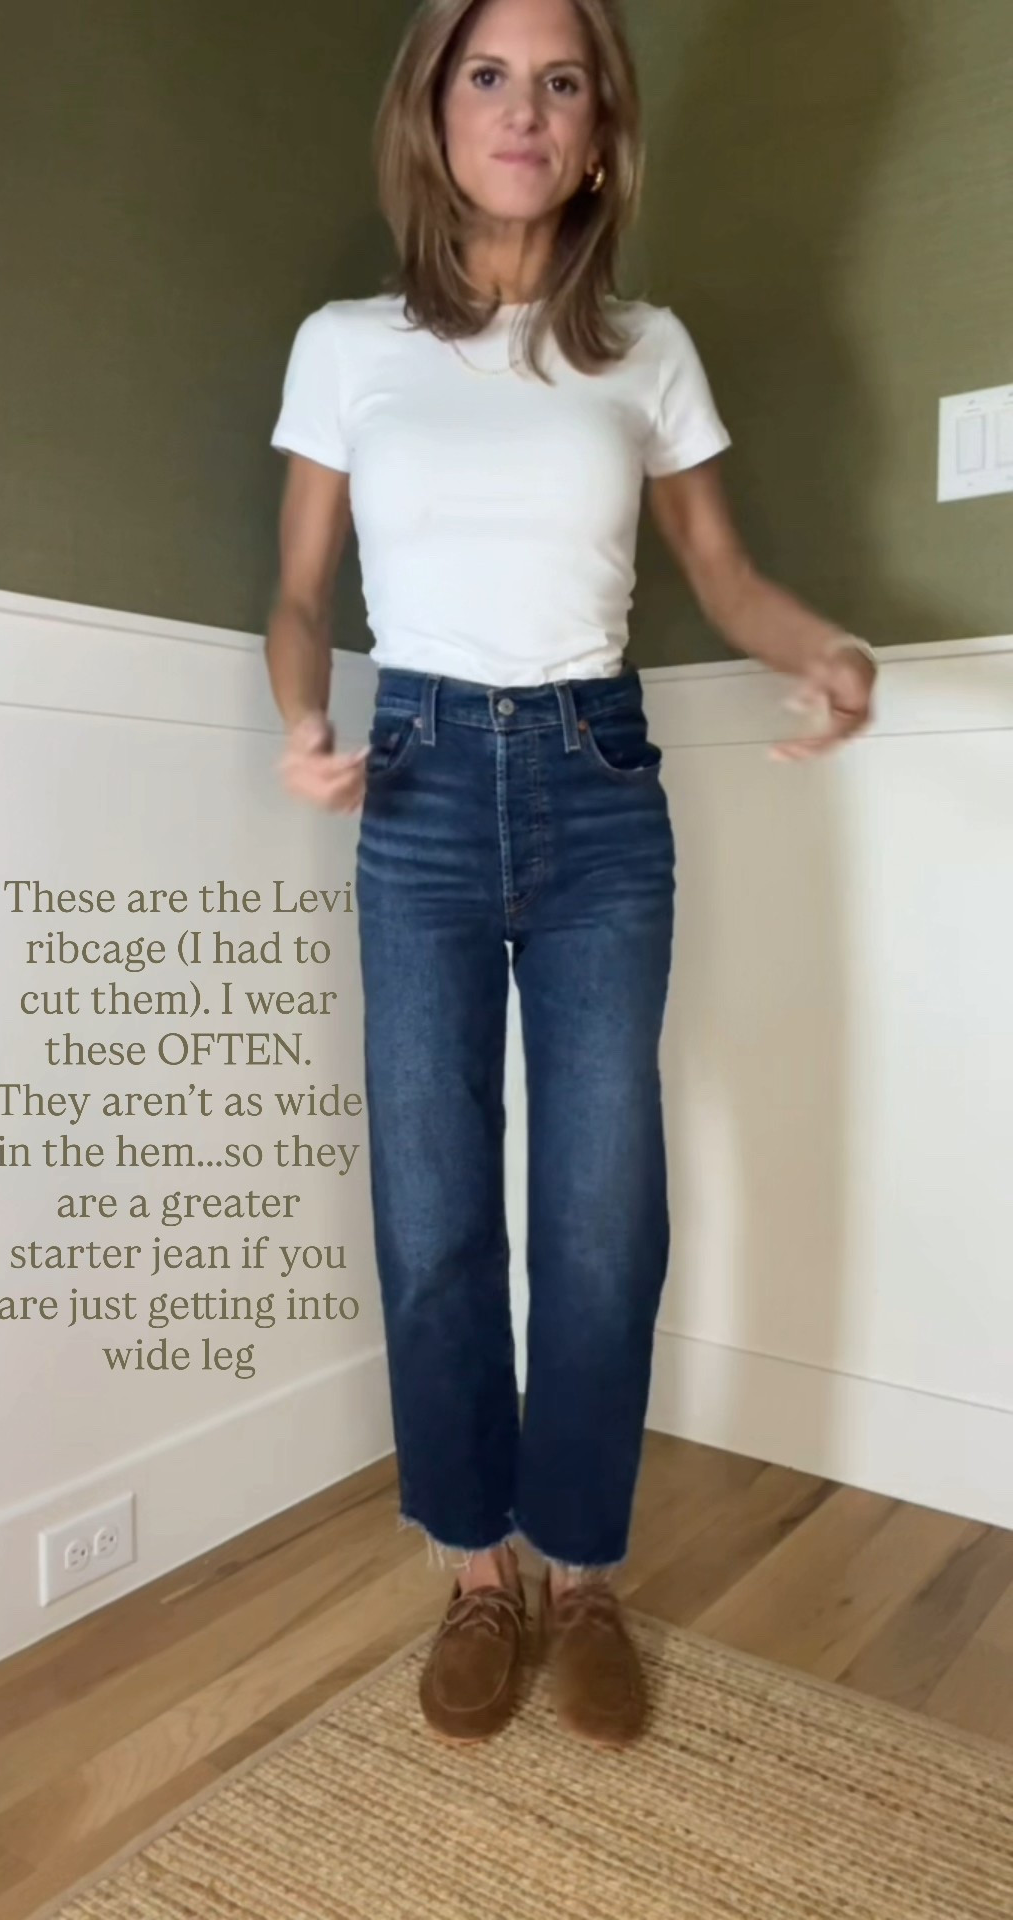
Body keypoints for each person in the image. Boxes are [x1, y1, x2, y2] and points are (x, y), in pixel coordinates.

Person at [264, 0, 876, 1750]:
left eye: (562, 81)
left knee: (603, 1218)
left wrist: (821, 650)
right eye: (489, 75)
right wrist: (304, 715)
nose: (523, 109)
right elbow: (299, 590)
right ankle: (477, 1573)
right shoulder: (347, 347)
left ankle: (585, 1571)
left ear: (600, 128)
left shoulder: (648, 351)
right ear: (434, 108)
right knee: (436, 1209)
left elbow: (724, 575)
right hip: (420, 785)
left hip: (600, 786)